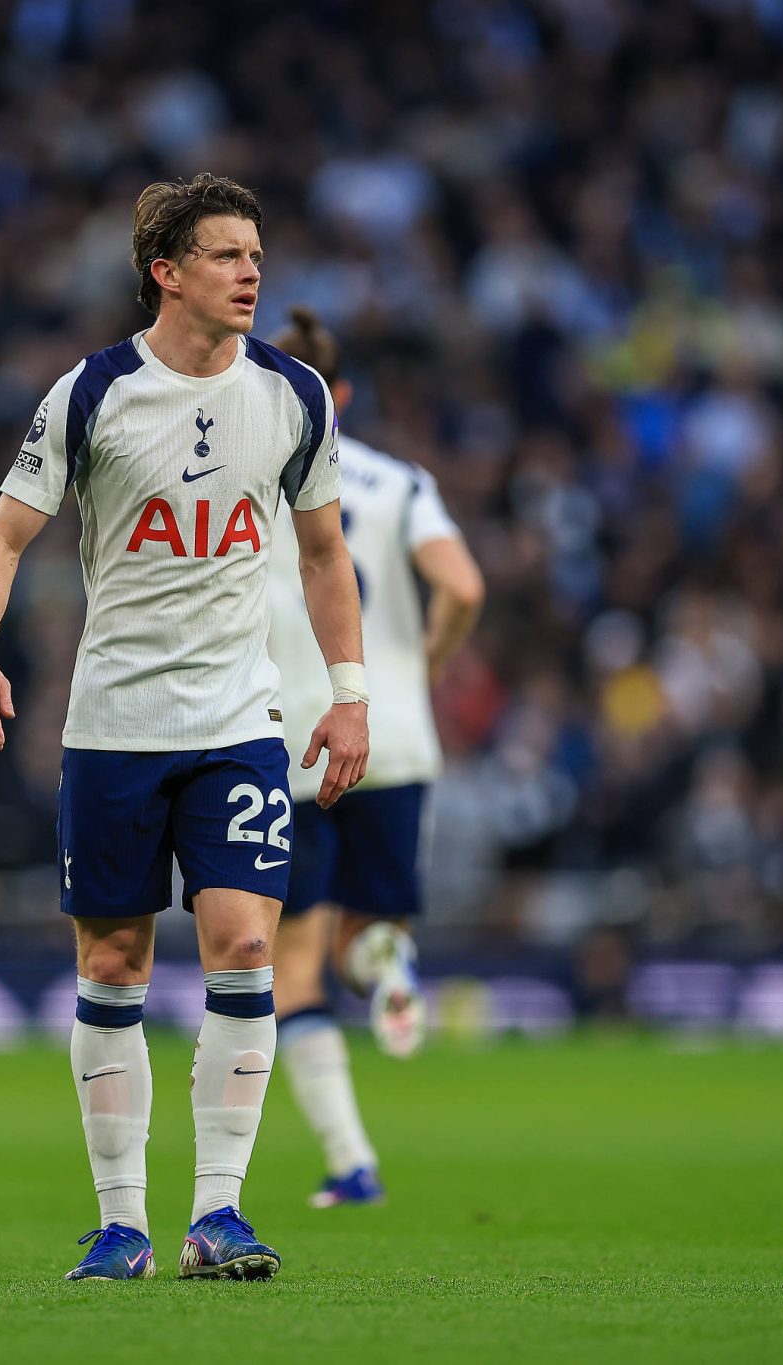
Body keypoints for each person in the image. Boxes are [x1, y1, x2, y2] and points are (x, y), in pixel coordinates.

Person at [0, 175, 369, 1282]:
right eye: (226, 256)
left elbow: (325, 556)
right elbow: (0, 541)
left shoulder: (293, 396)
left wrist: (349, 690)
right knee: (114, 961)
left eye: (256, 256)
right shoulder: (91, 394)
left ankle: (217, 1217)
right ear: (165, 273)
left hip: (238, 720)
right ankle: (121, 1222)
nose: (250, 274)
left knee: (243, 949)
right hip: (115, 724)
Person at [264, 306, 485, 1208]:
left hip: (291, 742)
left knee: (294, 966)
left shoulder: (251, 481)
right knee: (367, 935)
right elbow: (464, 585)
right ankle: (389, 969)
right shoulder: (401, 481)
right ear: (342, 393)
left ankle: (353, 1163)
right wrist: (422, 665)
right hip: (393, 733)